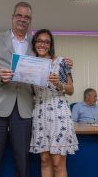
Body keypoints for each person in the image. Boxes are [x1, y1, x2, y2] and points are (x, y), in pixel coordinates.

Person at [0, 2, 73, 177]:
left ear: (30, 20)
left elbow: (50, 60)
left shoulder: (35, 43)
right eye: (19, 15)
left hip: (25, 109)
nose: (23, 19)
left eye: (27, 17)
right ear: (13, 17)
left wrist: (66, 63)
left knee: (23, 161)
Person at [29, 29, 78, 177]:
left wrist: (59, 84)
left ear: (51, 45)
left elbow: (71, 90)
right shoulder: (30, 64)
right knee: (44, 160)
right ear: (34, 43)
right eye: (39, 41)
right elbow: (30, 92)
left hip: (59, 113)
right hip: (39, 112)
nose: (42, 44)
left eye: (46, 42)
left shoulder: (62, 62)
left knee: (57, 162)